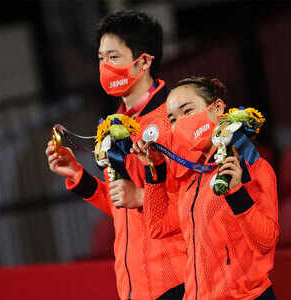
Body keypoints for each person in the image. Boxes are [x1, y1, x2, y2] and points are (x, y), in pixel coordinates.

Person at [45, 10, 186, 300]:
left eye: (114, 57)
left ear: (144, 61)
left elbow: (199, 205)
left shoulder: (176, 121)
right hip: (134, 286)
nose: (105, 67)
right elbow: (124, 206)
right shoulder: (116, 124)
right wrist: (78, 176)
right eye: (101, 58)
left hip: (180, 281)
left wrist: (141, 197)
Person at [132, 77, 279, 300]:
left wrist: (236, 192)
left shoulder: (252, 167)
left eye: (187, 110)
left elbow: (265, 242)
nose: (180, 123)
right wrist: (154, 167)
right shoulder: (193, 178)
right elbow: (157, 226)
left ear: (218, 108)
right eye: (172, 118)